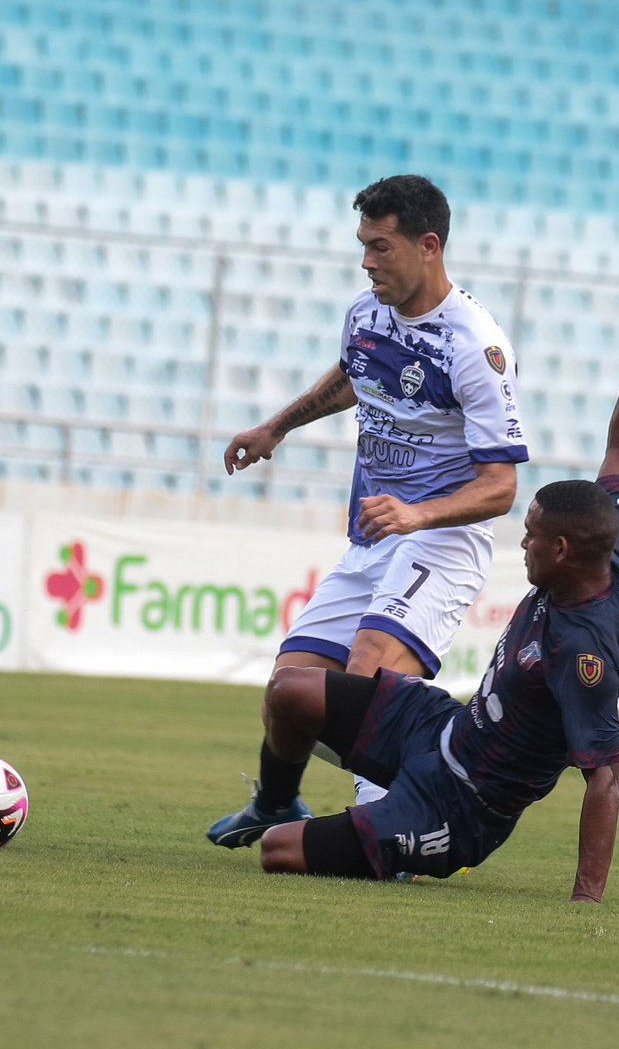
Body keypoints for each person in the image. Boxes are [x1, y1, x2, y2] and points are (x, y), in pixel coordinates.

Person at [243, 285, 619, 901]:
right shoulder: (604, 537)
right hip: (444, 729)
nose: (520, 544)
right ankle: (290, 799)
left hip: (462, 804)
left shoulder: (584, 652)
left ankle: (388, 830)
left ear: (561, 552)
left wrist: (585, 902)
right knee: (288, 691)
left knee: (279, 853)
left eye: (530, 538)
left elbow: (603, 779)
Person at [208, 174, 529, 846]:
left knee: (367, 680)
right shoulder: (367, 313)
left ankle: (394, 831)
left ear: (428, 246)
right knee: (290, 688)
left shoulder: (475, 345)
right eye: (363, 245)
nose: (367, 262)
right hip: (374, 536)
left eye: (381, 247)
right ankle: (274, 804)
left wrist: (417, 516)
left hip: (441, 541)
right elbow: (354, 377)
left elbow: (501, 486)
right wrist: (276, 428)